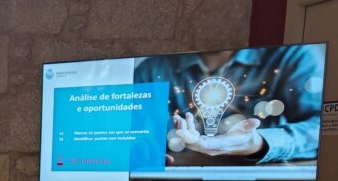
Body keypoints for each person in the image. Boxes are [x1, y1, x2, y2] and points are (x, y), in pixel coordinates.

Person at [133, 44, 325, 165]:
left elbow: (321, 127)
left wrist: (259, 143)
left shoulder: (292, 56)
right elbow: (134, 133)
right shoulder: (151, 70)